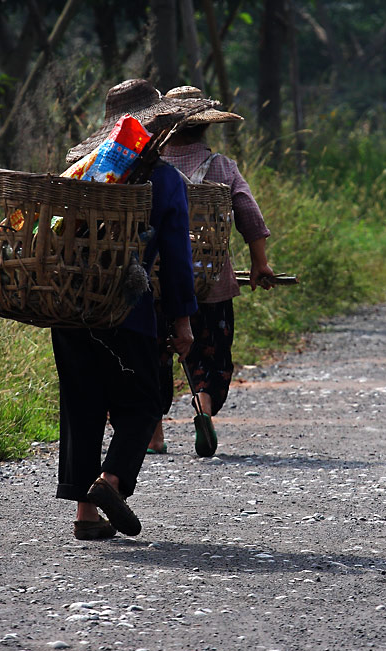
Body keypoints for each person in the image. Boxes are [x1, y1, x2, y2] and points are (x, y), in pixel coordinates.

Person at [51, 79, 213, 540]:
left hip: (68, 307)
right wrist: (183, 320)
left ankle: (86, 516)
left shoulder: (82, 172)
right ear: (157, 127)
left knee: (81, 405)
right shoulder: (164, 180)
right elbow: (178, 260)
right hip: (127, 308)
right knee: (145, 402)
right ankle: (110, 481)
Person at [147, 86, 275, 457]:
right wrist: (259, 263)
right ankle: (202, 408)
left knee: (155, 355)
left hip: (157, 281)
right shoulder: (221, 166)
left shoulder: (149, 167)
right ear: (206, 128)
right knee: (211, 354)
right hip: (211, 281)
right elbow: (249, 214)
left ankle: (154, 436)